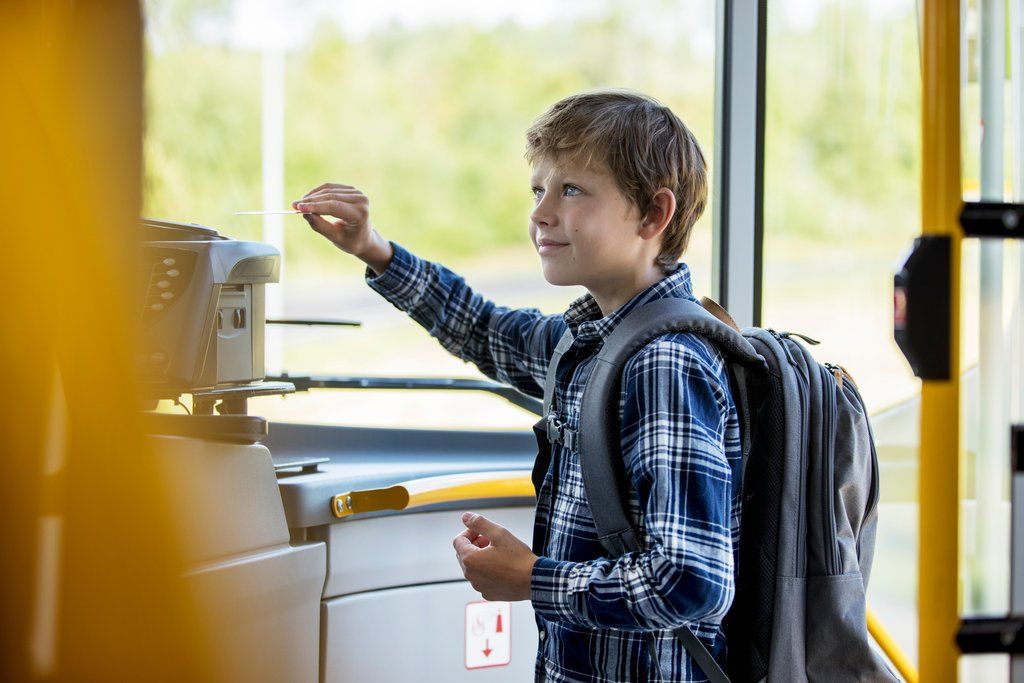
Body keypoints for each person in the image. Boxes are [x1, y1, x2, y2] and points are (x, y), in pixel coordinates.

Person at [293, 89, 741, 682]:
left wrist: (532, 578)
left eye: (572, 190)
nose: (540, 214)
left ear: (654, 215)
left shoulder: (664, 363)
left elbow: (692, 583)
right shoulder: (592, 341)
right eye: (539, 189)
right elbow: (483, 329)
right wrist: (375, 250)